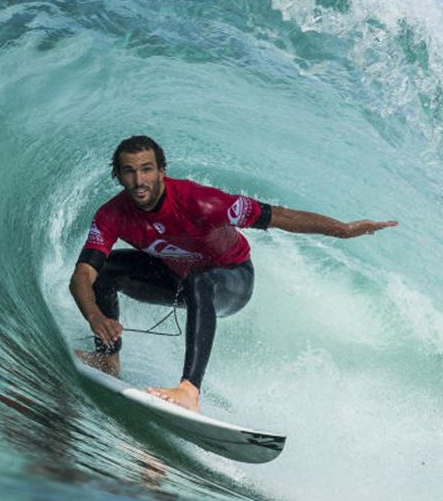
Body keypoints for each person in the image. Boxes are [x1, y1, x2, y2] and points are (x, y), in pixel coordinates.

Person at [69, 135, 397, 412]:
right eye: (129, 172)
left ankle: (189, 390)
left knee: (201, 279)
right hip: (176, 279)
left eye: (147, 170)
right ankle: (108, 358)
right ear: (117, 175)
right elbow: (82, 276)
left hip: (232, 280)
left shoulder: (202, 202)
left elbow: (281, 217)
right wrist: (96, 316)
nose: (139, 181)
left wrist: (344, 230)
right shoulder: (111, 215)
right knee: (107, 270)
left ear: (162, 171)